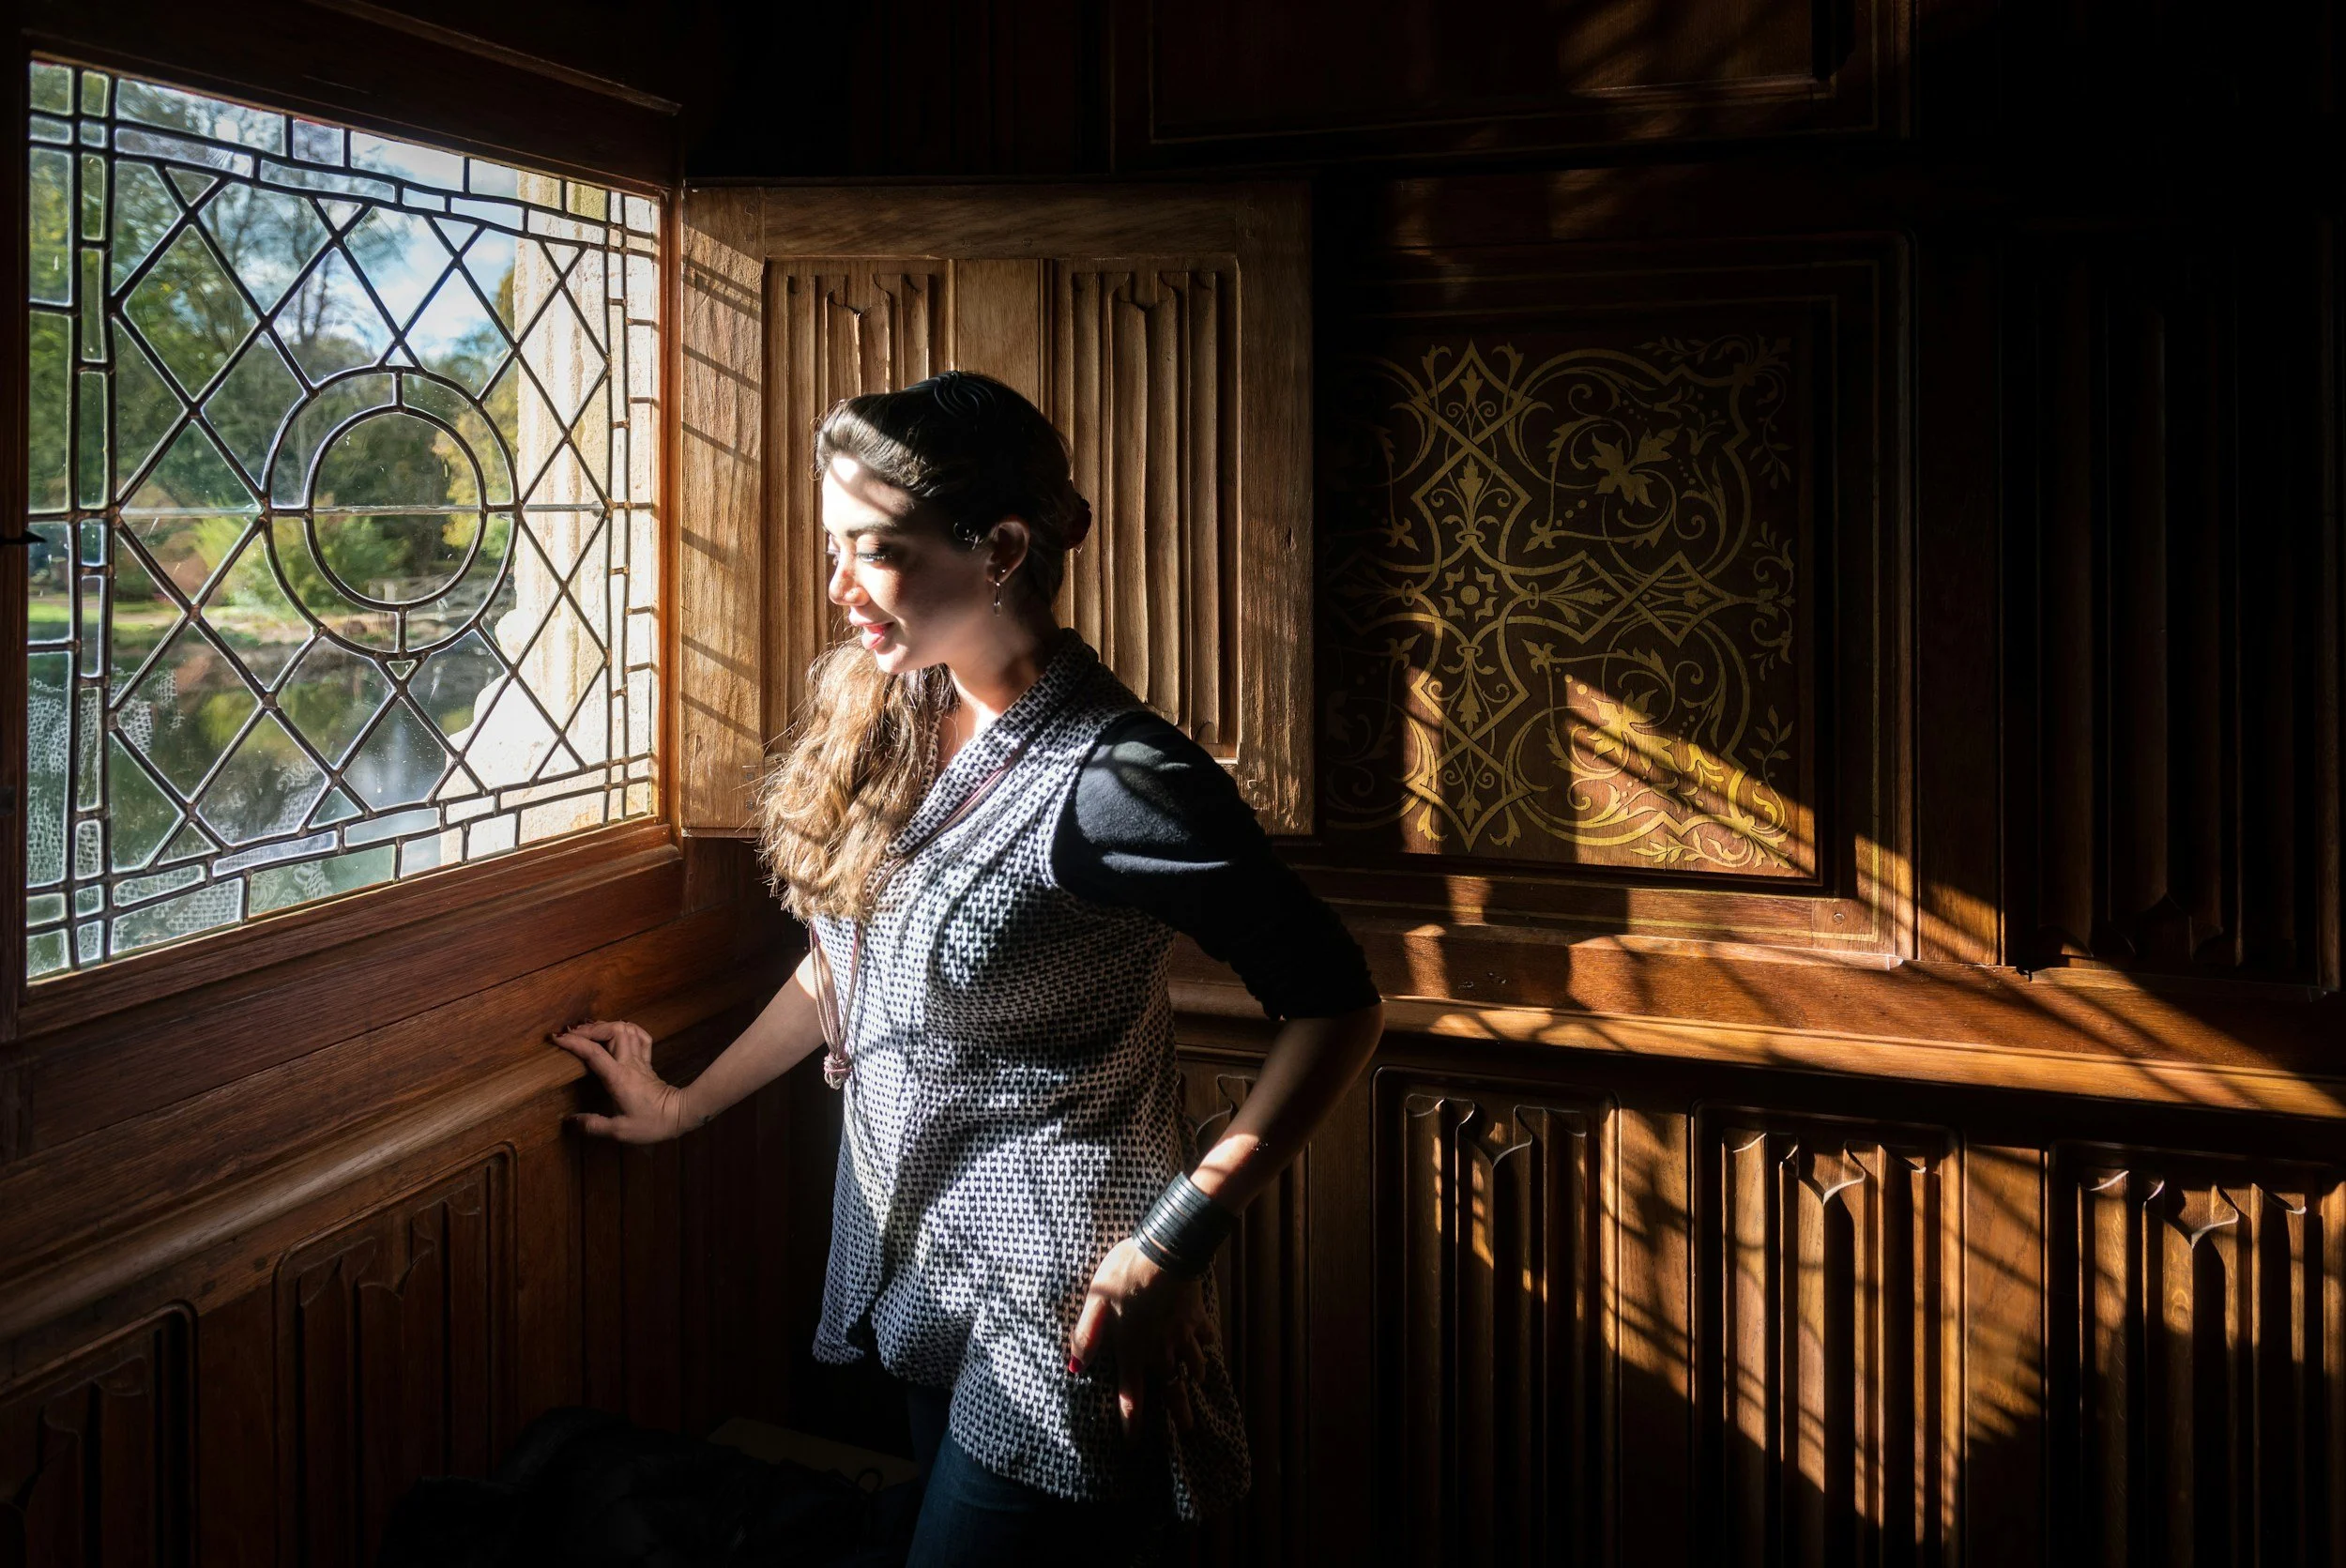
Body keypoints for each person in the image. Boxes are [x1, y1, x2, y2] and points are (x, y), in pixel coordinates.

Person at [553, 370, 1384, 1566]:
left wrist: (1173, 1244)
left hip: (1062, 1282)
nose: (839, 589)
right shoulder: (894, 710)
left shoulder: (1121, 781)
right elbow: (851, 964)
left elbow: (1338, 1007)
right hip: (914, 1245)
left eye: (876, 552)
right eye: (834, 547)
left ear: (999, 549)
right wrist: (682, 1105)